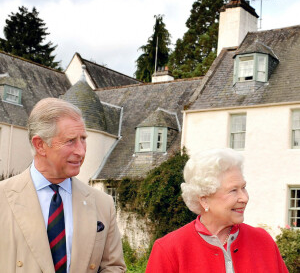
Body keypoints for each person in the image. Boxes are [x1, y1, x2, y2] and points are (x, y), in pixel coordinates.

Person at [0, 97, 126, 273]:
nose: (81, 151)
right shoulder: (3, 198)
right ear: (40, 145)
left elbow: (113, 267)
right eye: (70, 141)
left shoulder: (103, 205)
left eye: (83, 139)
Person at [145, 148, 288, 273]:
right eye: (233, 190)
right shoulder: (169, 249)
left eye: (243, 187)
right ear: (204, 199)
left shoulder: (263, 241)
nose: (244, 198)